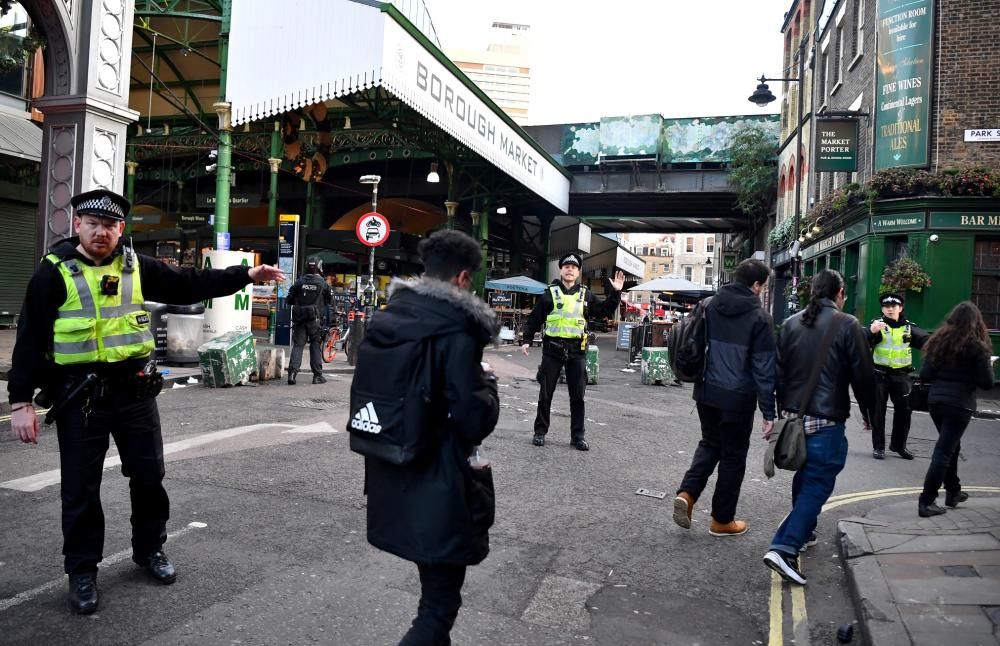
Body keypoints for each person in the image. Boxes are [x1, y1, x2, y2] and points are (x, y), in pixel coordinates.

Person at [7, 189, 285, 614]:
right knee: (80, 490)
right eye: (93, 224)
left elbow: (191, 282)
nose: (101, 233)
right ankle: (82, 570)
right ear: (77, 225)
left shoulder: (137, 266)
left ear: (121, 230)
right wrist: (20, 402)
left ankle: (149, 550)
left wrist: (246, 276)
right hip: (80, 398)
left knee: (150, 477)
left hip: (135, 393)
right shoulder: (52, 273)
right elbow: (28, 339)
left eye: (110, 226)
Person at [359, 230, 500, 645]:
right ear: (461, 279)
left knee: (433, 596)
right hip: (439, 480)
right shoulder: (456, 331)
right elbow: (474, 419)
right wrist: (488, 384)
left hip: (392, 466)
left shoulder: (388, 318)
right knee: (438, 608)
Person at [762, 270, 875, 585]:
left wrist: (775, 412)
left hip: (794, 418)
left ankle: (806, 530)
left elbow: (777, 373)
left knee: (805, 473)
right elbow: (863, 376)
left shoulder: (791, 323)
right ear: (839, 292)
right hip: (826, 420)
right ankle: (785, 548)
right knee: (818, 482)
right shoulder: (847, 324)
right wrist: (869, 413)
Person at [672, 260, 777, 536]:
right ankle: (721, 520)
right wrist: (769, 413)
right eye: (762, 286)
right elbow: (764, 368)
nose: (762, 291)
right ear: (755, 285)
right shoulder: (761, 318)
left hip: (706, 392)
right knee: (732, 457)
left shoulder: (708, 305)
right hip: (738, 398)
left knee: (710, 444)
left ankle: (687, 493)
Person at [520, 254, 624, 450]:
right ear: (561, 270)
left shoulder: (587, 295)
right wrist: (526, 341)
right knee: (545, 393)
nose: (569, 269)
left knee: (578, 397)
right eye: (566, 266)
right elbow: (534, 319)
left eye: (573, 267)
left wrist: (616, 293)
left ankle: (578, 437)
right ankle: (540, 432)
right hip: (552, 350)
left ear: (578, 272)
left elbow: (603, 312)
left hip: (577, 351)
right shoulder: (549, 294)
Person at [916, 302, 995, 517]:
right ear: (976, 322)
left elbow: (925, 374)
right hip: (959, 405)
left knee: (951, 447)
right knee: (943, 451)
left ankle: (953, 492)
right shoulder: (978, 347)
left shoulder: (938, 342)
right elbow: (987, 383)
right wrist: (988, 365)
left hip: (935, 403)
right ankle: (926, 501)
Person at [867, 292, 929, 460]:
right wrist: (870, 332)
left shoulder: (909, 328)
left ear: (900, 308)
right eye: (886, 307)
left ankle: (898, 446)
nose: (890, 309)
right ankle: (878, 447)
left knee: (904, 412)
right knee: (878, 413)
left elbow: (927, 341)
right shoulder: (877, 325)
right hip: (879, 375)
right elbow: (862, 342)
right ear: (882, 309)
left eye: (893, 306)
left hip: (901, 376)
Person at [285, 256, 333, 385]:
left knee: (298, 345)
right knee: (315, 345)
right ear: (319, 267)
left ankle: (292, 374)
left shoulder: (299, 282)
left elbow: (289, 299)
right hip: (315, 320)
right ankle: (317, 376)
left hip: (300, 318)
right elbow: (329, 302)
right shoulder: (323, 284)